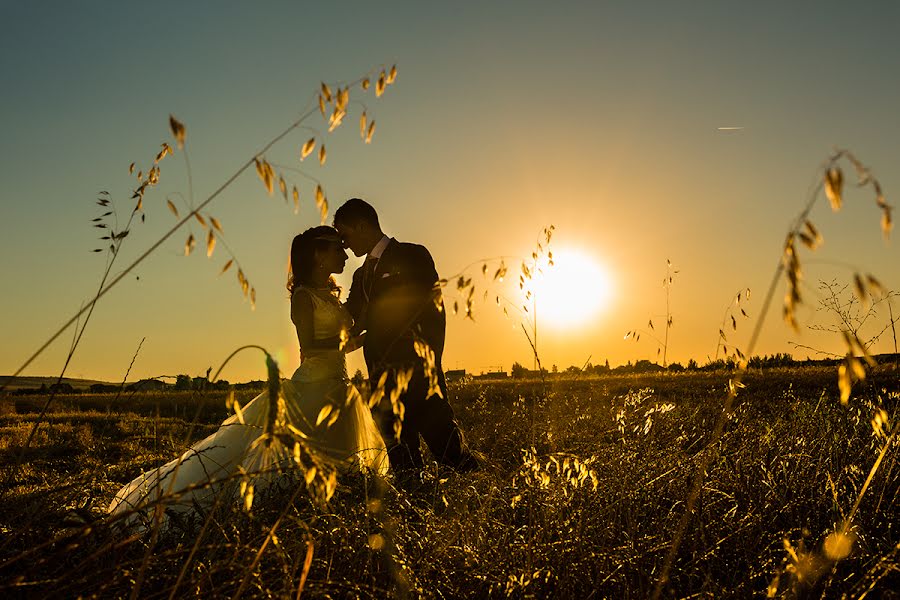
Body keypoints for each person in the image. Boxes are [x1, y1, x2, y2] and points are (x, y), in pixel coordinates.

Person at [108, 226, 388, 530]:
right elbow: (308, 346)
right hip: (313, 388)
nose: (344, 254)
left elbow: (338, 338)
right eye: (337, 248)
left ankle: (332, 519)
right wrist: (351, 342)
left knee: (339, 461)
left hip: (338, 386)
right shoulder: (304, 297)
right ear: (318, 254)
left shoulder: (330, 296)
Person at [334, 198, 478, 473]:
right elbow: (352, 318)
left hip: (420, 377)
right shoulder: (359, 275)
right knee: (404, 465)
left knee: (451, 454)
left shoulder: (413, 255)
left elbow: (428, 311)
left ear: (363, 226)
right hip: (380, 380)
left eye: (346, 236)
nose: (345, 245)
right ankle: (417, 512)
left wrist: (429, 363)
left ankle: (484, 500)